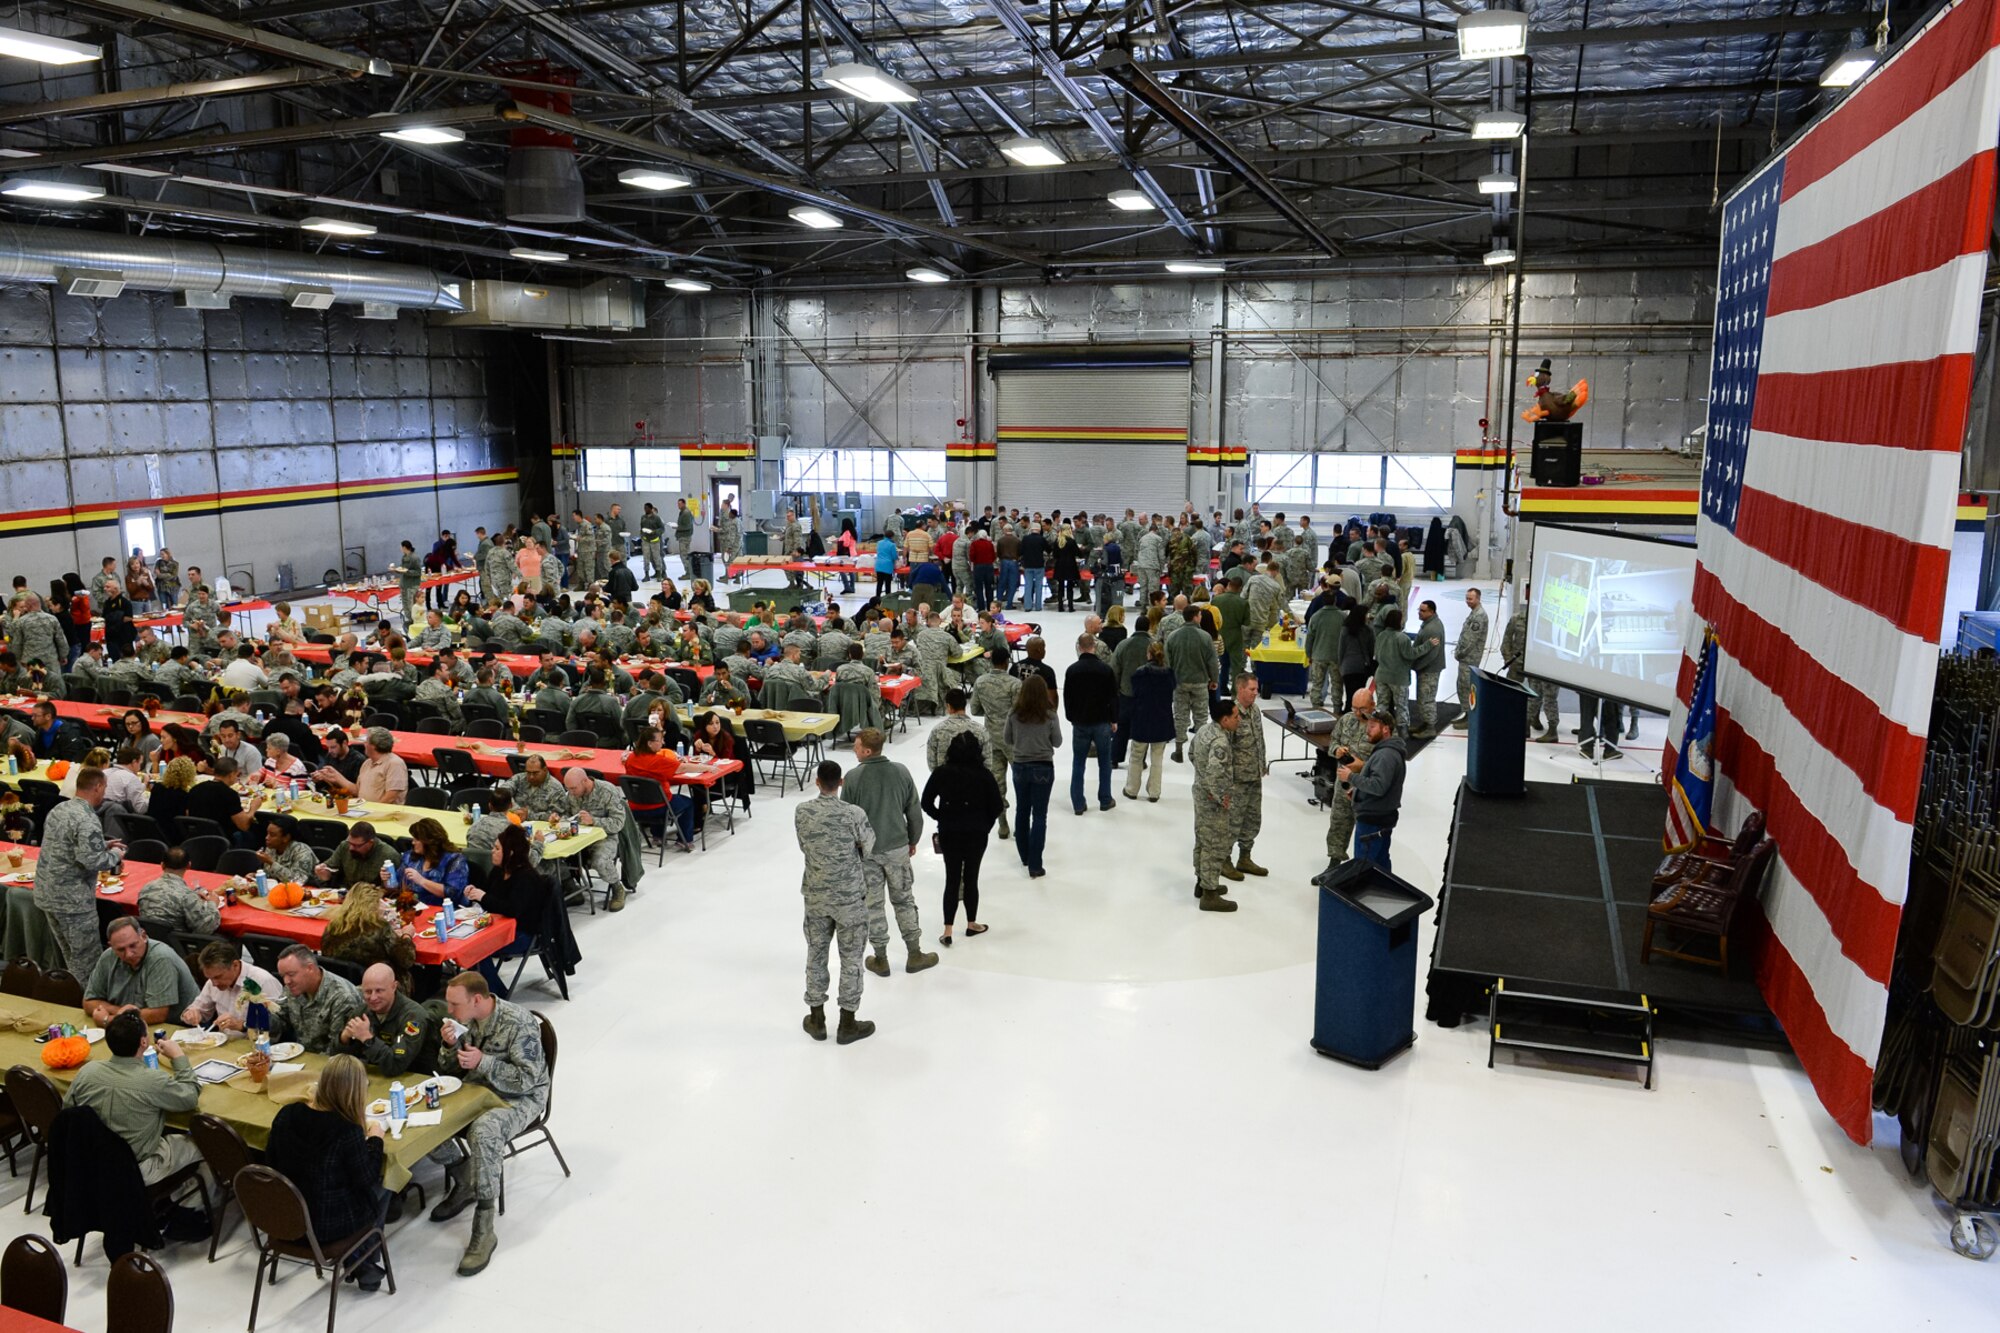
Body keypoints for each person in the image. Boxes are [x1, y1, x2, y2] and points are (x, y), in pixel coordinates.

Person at [426, 972, 549, 1276]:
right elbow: (446, 1067)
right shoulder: (464, 1021)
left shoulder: (518, 1023)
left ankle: (484, 1225)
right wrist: (449, 1046)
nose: (449, 1011)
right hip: (480, 1087)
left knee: (484, 1131)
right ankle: (465, 1177)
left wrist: (484, 1062)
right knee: (428, 1116)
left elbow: (527, 1079)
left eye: (455, 1005)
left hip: (522, 1096)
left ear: (477, 1000)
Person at [265, 1053, 393, 1290]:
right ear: (356, 1092)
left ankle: (361, 1263)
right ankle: (365, 1261)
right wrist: (375, 1140)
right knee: (385, 1185)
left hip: (283, 1217)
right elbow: (367, 1178)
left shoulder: (287, 1114)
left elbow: (270, 1161)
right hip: (325, 1227)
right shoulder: (347, 1130)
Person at [841, 728, 937, 977]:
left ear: (868, 751)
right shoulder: (901, 772)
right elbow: (914, 812)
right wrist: (912, 840)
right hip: (897, 848)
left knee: (873, 904)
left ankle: (880, 958)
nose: (854, 749)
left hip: (868, 851)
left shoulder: (852, 778)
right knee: (904, 900)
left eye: (857, 746)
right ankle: (914, 953)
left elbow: (847, 819)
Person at [794, 760, 878, 1045]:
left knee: (816, 954)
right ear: (840, 782)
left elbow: (805, 845)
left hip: (817, 895)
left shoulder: (802, 812)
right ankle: (848, 1023)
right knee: (851, 959)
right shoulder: (853, 814)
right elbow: (868, 847)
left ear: (817, 782)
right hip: (850, 898)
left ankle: (816, 1019)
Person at [64, 1012, 202, 1185]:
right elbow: (190, 1097)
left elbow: (67, 1113)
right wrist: (178, 1057)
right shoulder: (152, 1080)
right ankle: (193, 1203)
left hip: (91, 1161)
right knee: (206, 1142)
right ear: (144, 1042)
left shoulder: (87, 1072)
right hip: (136, 1169)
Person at [37, 766, 127, 975]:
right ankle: (89, 1002)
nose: (104, 794)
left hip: (48, 894)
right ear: (97, 787)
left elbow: (65, 845)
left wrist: (101, 845)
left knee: (69, 955)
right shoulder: (87, 818)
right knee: (86, 961)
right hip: (72, 900)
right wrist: (115, 855)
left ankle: (73, 996)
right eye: (104, 789)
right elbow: (92, 861)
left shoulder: (59, 809)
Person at [922, 730, 1002, 947]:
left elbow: (926, 802)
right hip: (976, 833)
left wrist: (942, 817)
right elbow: (997, 806)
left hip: (950, 832)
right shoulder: (984, 775)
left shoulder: (941, 773)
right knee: (972, 879)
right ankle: (971, 923)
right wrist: (985, 825)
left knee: (952, 879)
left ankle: (947, 930)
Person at [82, 917, 201, 1026]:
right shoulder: (108, 957)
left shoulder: (161, 958)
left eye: (133, 945)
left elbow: (158, 1014)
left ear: (143, 936)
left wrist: (109, 1020)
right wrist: (120, 1012)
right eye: (121, 949)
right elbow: (88, 1002)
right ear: (111, 946)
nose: (128, 954)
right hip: (136, 1026)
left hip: (178, 1027)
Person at [1315, 686, 1377, 883]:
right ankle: (1335, 862)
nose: (1358, 713)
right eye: (1354, 708)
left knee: (1366, 830)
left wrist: (1363, 766)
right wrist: (1337, 751)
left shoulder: (1380, 726)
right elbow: (1332, 742)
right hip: (1344, 785)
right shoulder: (1346, 720)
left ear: (1373, 705)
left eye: (1362, 709)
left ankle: (1366, 868)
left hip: (1366, 788)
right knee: (1339, 823)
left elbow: (1386, 761)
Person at [1003, 674, 1062, 879]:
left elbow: (1007, 739)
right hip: (1043, 768)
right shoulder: (1050, 715)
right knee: (1039, 815)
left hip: (1020, 766)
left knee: (1022, 811)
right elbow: (1058, 742)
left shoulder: (1014, 713)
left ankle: (1025, 856)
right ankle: (1036, 865)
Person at [338, 962, 436, 1077]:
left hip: (414, 1079)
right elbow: (339, 1062)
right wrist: (344, 1039)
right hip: (374, 1077)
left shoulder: (413, 1018)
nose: (373, 998)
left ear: (394, 987)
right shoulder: (361, 1013)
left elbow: (395, 1065)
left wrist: (367, 1039)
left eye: (379, 991)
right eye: (368, 992)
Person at [266, 944, 366, 1053]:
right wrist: (263, 1014)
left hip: (329, 1063)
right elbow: (280, 1021)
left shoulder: (342, 997)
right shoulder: (294, 988)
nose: (286, 981)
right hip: (301, 1056)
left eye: (291, 974)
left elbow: (338, 1049)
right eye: (283, 976)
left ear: (310, 968)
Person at [1190, 699, 1240, 912]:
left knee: (1202, 839)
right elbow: (1214, 773)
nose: (1238, 721)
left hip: (1200, 793)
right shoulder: (1220, 741)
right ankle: (1209, 894)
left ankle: (1202, 883)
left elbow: (1192, 754)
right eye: (1236, 717)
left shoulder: (1203, 730)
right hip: (1212, 801)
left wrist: (1202, 777)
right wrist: (1222, 797)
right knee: (1214, 843)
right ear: (1225, 719)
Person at [1341, 708, 1406, 869]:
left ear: (1385, 729)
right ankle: (1386, 892)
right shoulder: (1387, 751)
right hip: (1381, 817)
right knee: (1381, 864)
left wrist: (1351, 777)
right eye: (1367, 726)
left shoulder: (1385, 756)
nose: (1367, 731)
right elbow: (1380, 783)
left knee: (1363, 867)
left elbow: (1378, 787)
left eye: (1372, 727)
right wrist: (1358, 793)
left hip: (1372, 820)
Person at [561, 766, 632, 911]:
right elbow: (566, 814)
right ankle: (572, 890)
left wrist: (594, 821)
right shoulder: (571, 794)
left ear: (585, 781)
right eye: (568, 788)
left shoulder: (607, 791)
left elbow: (618, 823)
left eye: (574, 788)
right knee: (554, 856)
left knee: (599, 860)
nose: (571, 792)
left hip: (605, 836)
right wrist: (559, 819)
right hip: (579, 835)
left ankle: (617, 888)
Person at [1063, 631, 1118, 815]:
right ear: (1094, 647)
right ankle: (1105, 799)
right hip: (1102, 722)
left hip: (1080, 722)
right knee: (1104, 762)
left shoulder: (1072, 670)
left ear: (1079, 647)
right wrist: (1114, 719)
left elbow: (1067, 698)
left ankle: (1078, 803)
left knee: (1078, 762)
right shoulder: (1105, 670)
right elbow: (1113, 697)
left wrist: (1071, 717)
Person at [321, 881, 419, 980]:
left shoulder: (332, 927)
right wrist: (407, 935)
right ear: (372, 905)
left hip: (344, 984)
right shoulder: (379, 927)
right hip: (380, 985)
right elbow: (407, 960)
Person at [181, 939, 280, 1032]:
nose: (214, 983)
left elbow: (278, 1027)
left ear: (235, 965)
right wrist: (191, 1013)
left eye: (218, 977)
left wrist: (242, 1025)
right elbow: (199, 1008)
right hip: (225, 1043)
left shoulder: (263, 981)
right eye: (210, 978)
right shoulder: (212, 981)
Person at [1123, 641, 1176, 802]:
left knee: (1136, 756)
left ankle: (1132, 789)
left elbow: (1135, 693)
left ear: (1149, 655)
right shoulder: (1169, 674)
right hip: (1162, 719)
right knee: (1157, 758)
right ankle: (1154, 792)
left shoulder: (1140, 673)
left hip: (1142, 718)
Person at [1227, 674, 1269, 878]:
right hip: (1237, 780)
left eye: (1256, 689)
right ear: (1240, 689)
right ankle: (1224, 860)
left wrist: (1263, 764)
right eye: (1252, 689)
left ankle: (1245, 857)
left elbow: (1259, 739)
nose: (1256, 693)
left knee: (1252, 819)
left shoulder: (1255, 711)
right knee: (1232, 821)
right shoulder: (1231, 714)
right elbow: (1225, 749)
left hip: (1255, 776)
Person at [1165, 607, 1218, 761]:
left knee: (1180, 716)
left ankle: (1179, 750)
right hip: (1200, 681)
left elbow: (1168, 662)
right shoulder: (1205, 636)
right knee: (1201, 717)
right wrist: (1214, 679)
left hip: (1179, 681)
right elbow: (1212, 661)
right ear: (1195, 617)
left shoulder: (1173, 636)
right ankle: (1199, 751)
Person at [136, 847, 222, 936]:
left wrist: (194, 898)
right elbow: (205, 929)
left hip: (150, 940)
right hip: (177, 944)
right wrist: (213, 904)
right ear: (189, 865)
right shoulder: (186, 895)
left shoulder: (146, 888)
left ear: (162, 865)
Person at [397, 817, 471, 907]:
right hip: (414, 907)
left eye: (416, 839)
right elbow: (398, 886)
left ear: (428, 842)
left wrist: (422, 881)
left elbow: (452, 892)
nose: (413, 842)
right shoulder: (410, 856)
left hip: (443, 910)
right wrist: (387, 880)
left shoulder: (454, 860)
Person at [1451, 587, 1489, 730]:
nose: (1468, 601)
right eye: (1467, 598)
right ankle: (1467, 714)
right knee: (1462, 686)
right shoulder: (1474, 613)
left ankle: (1470, 717)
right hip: (1466, 658)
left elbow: (1471, 640)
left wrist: (1460, 653)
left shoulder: (1479, 616)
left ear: (1478, 599)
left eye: (1470, 599)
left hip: (1470, 658)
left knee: (1467, 687)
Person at [314, 822, 397, 886]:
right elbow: (329, 872)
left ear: (370, 842)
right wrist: (323, 873)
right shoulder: (344, 846)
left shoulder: (389, 855)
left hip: (374, 896)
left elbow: (393, 889)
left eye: (356, 845)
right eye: (350, 843)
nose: (351, 848)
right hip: (348, 893)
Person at [1410, 599, 1447, 738]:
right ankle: (1425, 723)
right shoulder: (1428, 624)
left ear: (1431, 612)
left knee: (1427, 699)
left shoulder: (1433, 628)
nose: (1419, 613)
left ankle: (1430, 727)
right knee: (1423, 698)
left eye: (1423, 611)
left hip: (1429, 669)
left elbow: (1432, 654)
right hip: (1425, 669)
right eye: (1419, 610)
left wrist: (1417, 666)